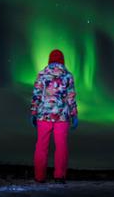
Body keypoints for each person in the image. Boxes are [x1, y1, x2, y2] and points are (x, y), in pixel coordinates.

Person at [30, 49, 78, 184]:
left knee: (41, 146)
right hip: (62, 116)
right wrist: (74, 114)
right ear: (62, 60)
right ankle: (59, 176)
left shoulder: (41, 74)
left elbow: (36, 95)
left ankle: (39, 177)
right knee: (61, 146)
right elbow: (71, 97)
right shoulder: (68, 76)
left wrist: (33, 112)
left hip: (43, 115)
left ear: (49, 60)